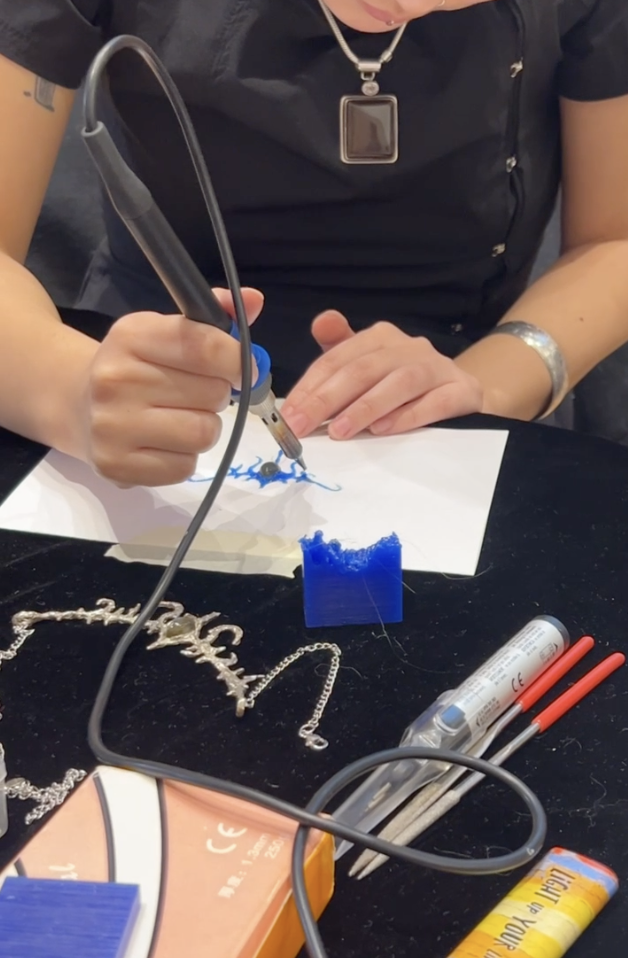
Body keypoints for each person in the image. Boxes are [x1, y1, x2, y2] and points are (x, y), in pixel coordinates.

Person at [0, 0, 627, 488]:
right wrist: (67, 391)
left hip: (473, 370)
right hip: (145, 369)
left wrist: (488, 386)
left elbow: (614, 242)